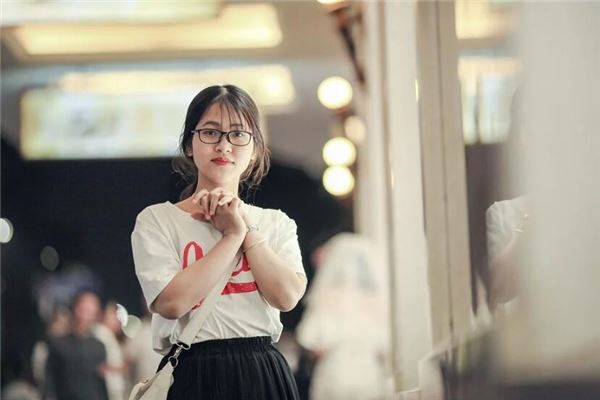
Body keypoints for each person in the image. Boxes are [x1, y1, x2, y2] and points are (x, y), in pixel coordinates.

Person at [131, 84, 307, 400]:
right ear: (189, 144)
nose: (224, 146)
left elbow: (286, 296)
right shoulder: (158, 220)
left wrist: (245, 226)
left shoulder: (275, 223)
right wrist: (232, 237)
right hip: (193, 371)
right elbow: (172, 304)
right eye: (211, 133)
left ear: (255, 148)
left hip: (262, 370)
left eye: (238, 134)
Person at [296, 233, 389, 400]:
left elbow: (310, 340)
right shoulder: (375, 300)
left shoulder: (327, 298)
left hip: (334, 372)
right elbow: (384, 344)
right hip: (368, 374)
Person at [44, 290, 108, 400]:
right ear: (76, 308)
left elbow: (101, 383)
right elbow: (50, 381)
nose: (87, 313)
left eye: (91, 309)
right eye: (85, 308)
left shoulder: (99, 347)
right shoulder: (58, 344)